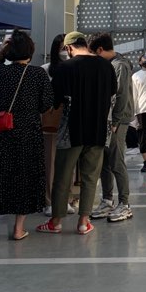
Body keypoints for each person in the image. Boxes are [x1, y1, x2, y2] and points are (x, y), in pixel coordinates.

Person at [0, 30, 53, 242]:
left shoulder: (0, 72)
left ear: (9, 51)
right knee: (24, 177)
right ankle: (18, 229)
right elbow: (46, 104)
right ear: (30, 51)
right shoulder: (38, 74)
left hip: (1, 132)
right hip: (28, 133)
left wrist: (0, 51)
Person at [37, 31, 117, 236]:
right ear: (85, 44)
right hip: (98, 130)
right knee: (90, 176)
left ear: (68, 48)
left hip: (70, 131)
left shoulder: (65, 68)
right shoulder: (106, 66)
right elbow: (112, 93)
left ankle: (56, 222)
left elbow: (54, 101)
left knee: (62, 176)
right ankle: (83, 222)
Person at [88, 32, 134, 222]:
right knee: (105, 161)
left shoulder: (120, 66)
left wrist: (115, 121)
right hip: (107, 120)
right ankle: (107, 200)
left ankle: (124, 204)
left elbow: (121, 95)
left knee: (116, 160)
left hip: (117, 120)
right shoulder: (109, 65)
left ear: (100, 49)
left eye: (93, 54)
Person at [40, 33, 77, 217]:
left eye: (68, 47)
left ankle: (67, 200)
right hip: (52, 122)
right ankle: (48, 202)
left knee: (69, 163)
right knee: (50, 163)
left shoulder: (76, 67)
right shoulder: (46, 70)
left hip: (72, 121)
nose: (65, 51)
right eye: (62, 48)